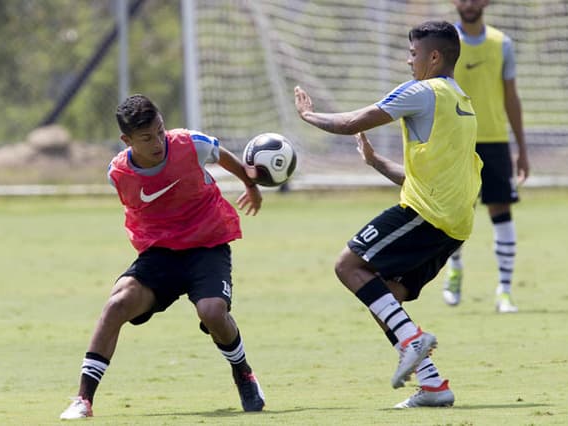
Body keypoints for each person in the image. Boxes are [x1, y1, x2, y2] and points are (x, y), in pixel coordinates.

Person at [294, 21, 482, 408]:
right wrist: (376, 161)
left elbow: (351, 122)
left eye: (414, 54)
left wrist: (309, 117)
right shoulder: (462, 102)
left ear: (434, 56)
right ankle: (433, 385)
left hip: (427, 214)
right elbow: (422, 177)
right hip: (455, 223)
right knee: (386, 296)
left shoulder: (422, 91)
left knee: (348, 266)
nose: (408, 60)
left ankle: (413, 342)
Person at [59, 94, 265, 419]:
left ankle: (243, 372)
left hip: (207, 245)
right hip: (161, 254)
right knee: (115, 305)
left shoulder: (188, 144)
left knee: (212, 312)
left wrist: (250, 184)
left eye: (159, 130)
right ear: (127, 140)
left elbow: (219, 154)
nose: (157, 141)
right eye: (146, 138)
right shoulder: (118, 173)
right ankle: (83, 399)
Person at [443, 0, 530, 312]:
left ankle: (504, 291)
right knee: (453, 214)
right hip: (455, 141)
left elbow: (511, 97)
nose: (469, 3)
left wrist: (521, 147)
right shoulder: (443, 41)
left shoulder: (501, 43)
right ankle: (454, 269)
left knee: (501, 211)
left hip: (493, 141)